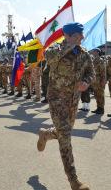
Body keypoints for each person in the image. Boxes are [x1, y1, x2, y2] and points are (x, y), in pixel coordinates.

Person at [37, 23, 94, 190]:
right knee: (66, 137)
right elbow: (49, 58)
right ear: (68, 36)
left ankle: (45, 134)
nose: (82, 38)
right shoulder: (54, 50)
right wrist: (69, 45)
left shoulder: (84, 54)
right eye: (79, 35)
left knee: (63, 132)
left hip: (73, 102)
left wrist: (86, 82)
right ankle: (73, 180)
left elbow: (92, 73)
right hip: (57, 100)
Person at [90, 48, 106, 115]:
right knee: (96, 95)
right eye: (93, 51)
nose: (93, 52)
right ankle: (98, 107)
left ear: (97, 52)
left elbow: (103, 72)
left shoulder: (100, 60)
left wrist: (103, 81)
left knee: (100, 95)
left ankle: (101, 109)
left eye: (94, 51)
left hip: (99, 80)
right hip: (94, 81)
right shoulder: (93, 60)